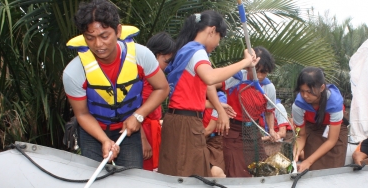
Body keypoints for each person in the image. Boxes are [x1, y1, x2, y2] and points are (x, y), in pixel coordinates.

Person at [63, 0, 169, 167]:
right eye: (90, 38)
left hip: (128, 132)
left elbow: (162, 88)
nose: (98, 45)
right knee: (93, 179)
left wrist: (138, 115)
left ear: (118, 30)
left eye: (104, 36)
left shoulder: (141, 56)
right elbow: (82, 114)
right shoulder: (74, 72)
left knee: (131, 181)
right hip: (92, 132)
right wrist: (104, 140)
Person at [158, 10, 259, 177]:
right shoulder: (197, 52)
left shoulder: (187, 50)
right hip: (186, 124)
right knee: (189, 176)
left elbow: (205, 87)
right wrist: (245, 62)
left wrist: (218, 107)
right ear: (212, 30)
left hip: (180, 121)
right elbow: (211, 78)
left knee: (179, 172)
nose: (218, 43)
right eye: (220, 37)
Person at [221, 46, 276, 177]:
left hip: (253, 133)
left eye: (265, 72)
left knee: (261, 171)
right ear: (249, 66)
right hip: (233, 131)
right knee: (236, 172)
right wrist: (218, 106)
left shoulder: (268, 87)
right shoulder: (235, 77)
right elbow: (210, 85)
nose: (261, 76)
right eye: (258, 71)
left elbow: (269, 111)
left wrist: (272, 130)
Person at [292, 67, 348, 172]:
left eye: (309, 91)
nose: (305, 96)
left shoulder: (335, 102)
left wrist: (308, 161)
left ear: (322, 88)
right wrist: (295, 155)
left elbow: (332, 140)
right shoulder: (298, 105)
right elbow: (301, 135)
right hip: (313, 128)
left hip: (334, 130)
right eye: (302, 91)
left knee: (334, 169)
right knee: (313, 168)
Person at [141, 32, 175, 171]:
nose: (167, 66)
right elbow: (131, 112)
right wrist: (143, 140)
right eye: (166, 61)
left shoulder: (156, 80)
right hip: (142, 132)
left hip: (153, 132)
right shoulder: (141, 79)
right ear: (154, 56)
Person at [203, 91, 228, 177]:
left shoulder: (220, 99)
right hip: (200, 140)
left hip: (215, 141)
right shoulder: (196, 96)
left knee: (215, 173)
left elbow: (209, 129)